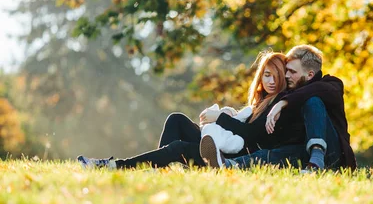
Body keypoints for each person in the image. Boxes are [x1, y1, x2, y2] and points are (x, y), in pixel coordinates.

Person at [77, 51, 297, 169]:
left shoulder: (279, 104)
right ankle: (159, 168)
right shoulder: (259, 102)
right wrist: (230, 115)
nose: (270, 81)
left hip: (230, 157)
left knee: (178, 147)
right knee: (177, 119)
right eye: (266, 75)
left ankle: (114, 166)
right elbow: (241, 125)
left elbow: (251, 136)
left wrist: (220, 117)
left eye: (276, 77)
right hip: (221, 145)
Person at [200, 44, 356, 171]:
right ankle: (229, 165)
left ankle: (317, 159)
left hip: (334, 154)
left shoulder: (331, 85)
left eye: (292, 71)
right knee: (274, 153)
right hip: (304, 154)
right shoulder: (290, 92)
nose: (286, 75)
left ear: (309, 74)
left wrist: (283, 103)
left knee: (313, 101)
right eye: (286, 70)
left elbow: (315, 90)